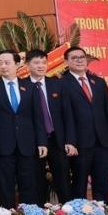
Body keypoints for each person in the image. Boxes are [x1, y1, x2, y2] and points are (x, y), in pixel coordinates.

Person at [0, 49, 47, 205]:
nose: (3, 66)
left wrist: (42, 141)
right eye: (0, 63)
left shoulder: (30, 86)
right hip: (3, 146)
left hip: (27, 145)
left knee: (29, 185)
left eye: (7, 63)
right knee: (5, 186)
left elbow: (38, 116)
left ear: (18, 64)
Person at [61, 46, 108, 202]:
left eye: (82, 57)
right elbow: (64, 116)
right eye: (74, 58)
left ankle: (103, 214)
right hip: (79, 144)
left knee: (102, 184)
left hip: (103, 142)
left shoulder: (99, 83)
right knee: (79, 185)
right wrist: (70, 141)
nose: (79, 60)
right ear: (66, 62)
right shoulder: (62, 84)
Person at [24, 49, 76, 204]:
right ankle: (38, 214)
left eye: (43, 62)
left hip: (57, 139)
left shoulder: (57, 84)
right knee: (36, 181)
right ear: (27, 65)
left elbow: (68, 115)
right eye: (36, 62)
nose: (41, 66)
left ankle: (67, 213)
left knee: (63, 181)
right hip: (33, 141)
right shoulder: (22, 86)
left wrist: (70, 140)